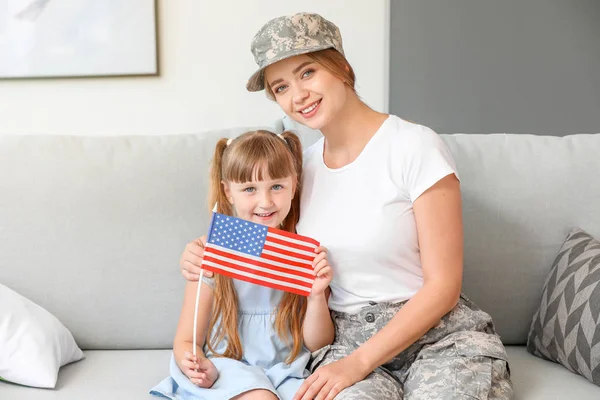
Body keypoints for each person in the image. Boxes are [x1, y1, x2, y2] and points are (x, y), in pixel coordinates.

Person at [180, 12, 513, 400]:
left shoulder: (415, 146)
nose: (298, 95)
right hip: (342, 343)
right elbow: (266, 237)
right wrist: (202, 251)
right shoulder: (298, 168)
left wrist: (358, 363)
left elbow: (443, 287)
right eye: (281, 87)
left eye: (307, 73)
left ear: (341, 67)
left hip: (437, 341)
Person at [151, 130, 334, 400]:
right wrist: (196, 364)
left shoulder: (302, 253)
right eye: (250, 189)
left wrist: (317, 295)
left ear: (294, 185)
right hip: (228, 370)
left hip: (286, 373)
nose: (266, 202)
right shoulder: (213, 254)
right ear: (229, 191)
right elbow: (187, 340)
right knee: (261, 396)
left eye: (277, 186)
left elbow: (318, 344)